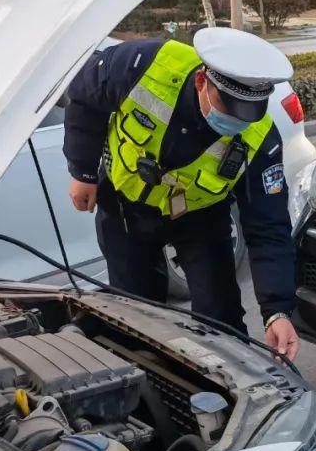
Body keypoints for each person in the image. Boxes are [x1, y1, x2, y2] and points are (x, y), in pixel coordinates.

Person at [63, 27, 300, 361]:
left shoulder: (260, 139)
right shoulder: (142, 64)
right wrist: (82, 171)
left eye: (247, 113)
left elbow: (268, 227)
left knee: (221, 320)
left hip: (200, 220)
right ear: (202, 80)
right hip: (124, 208)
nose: (236, 120)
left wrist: (277, 310)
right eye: (227, 106)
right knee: (135, 317)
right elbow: (83, 97)